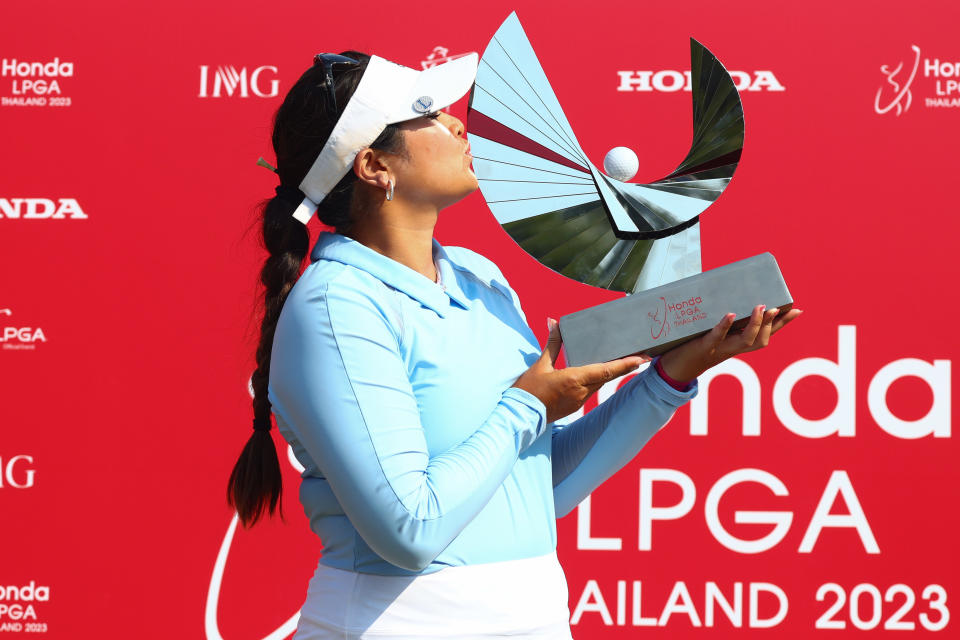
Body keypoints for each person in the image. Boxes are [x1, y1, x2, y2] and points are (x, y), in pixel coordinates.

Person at [226, 50, 801, 639]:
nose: (455, 124)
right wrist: (528, 406)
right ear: (374, 166)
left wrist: (670, 377)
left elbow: (535, 490)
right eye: (428, 113)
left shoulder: (481, 278)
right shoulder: (336, 306)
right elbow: (409, 529)